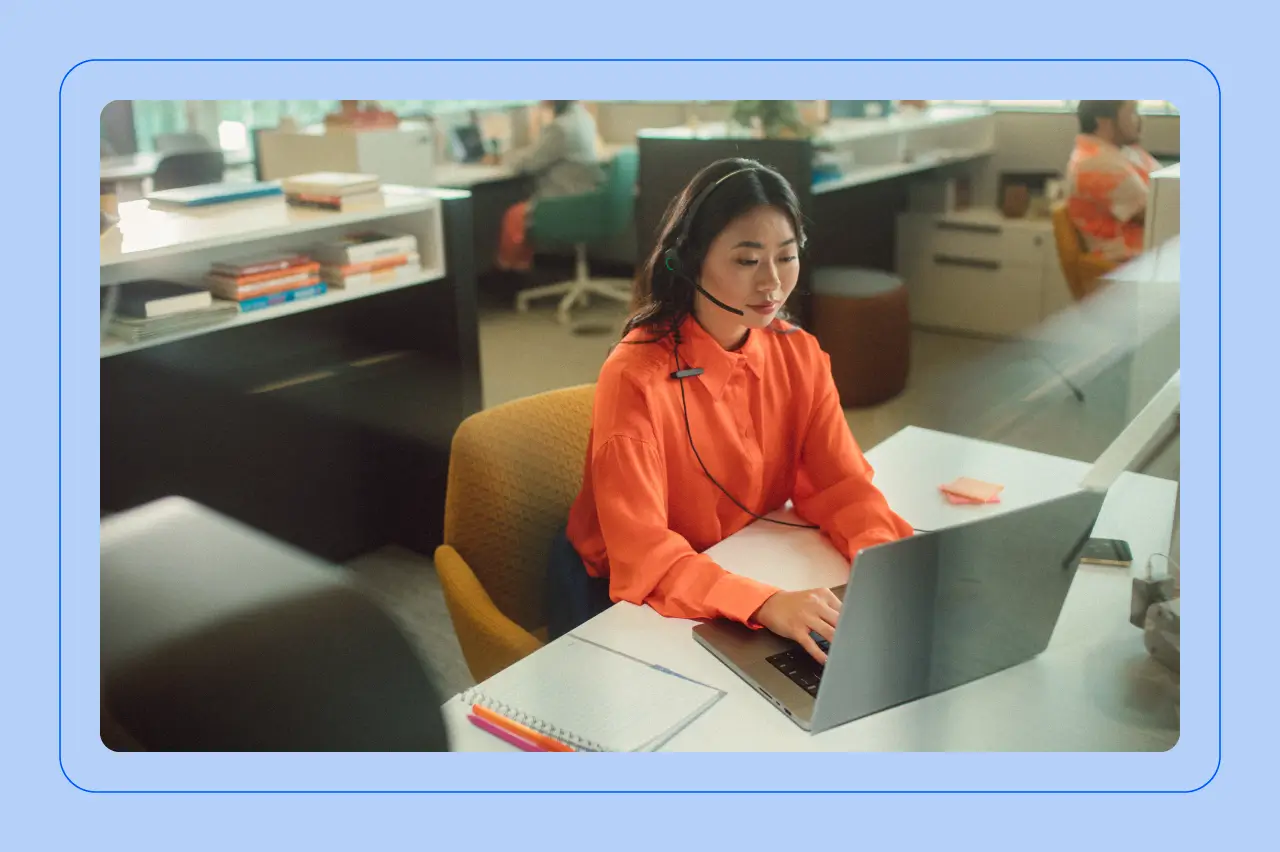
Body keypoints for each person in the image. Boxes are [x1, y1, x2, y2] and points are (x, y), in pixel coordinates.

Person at [546, 158, 913, 663]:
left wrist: (882, 557)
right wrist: (763, 603)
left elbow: (841, 483)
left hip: (738, 554)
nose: (772, 284)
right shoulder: (634, 377)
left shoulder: (797, 353)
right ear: (689, 261)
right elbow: (646, 554)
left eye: (786, 257)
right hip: (626, 590)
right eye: (747, 261)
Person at [496, 100, 604, 272]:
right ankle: (519, 273)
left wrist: (503, 158)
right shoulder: (584, 119)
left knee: (514, 216)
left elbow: (529, 163)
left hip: (564, 203)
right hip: (583, 199)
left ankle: (510, 278)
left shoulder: (560, 128)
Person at [1065, 100, 1163, 261]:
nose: (1140, 120)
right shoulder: (1098, 164)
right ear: (1104, 122)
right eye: (1132, 113)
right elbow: (1159, 213)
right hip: (1128, 264)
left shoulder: (1123, 152)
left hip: (1148, 254)